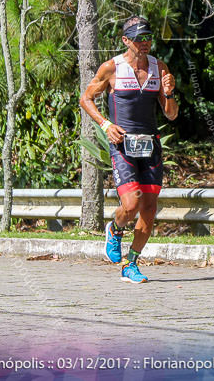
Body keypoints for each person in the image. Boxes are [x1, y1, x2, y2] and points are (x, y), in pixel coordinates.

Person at [79, 16, 178, 284]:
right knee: (131, 203)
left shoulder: (159, 67)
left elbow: (171, 115)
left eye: (147, 38)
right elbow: (85, 98)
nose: (144, 43)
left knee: (148, 209)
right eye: (138, 39)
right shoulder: (112, 68)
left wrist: (168, 94)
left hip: (151, 146)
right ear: (126, 40)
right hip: (123, 145)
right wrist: (106, 124)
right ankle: (115, 227)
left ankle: (130, 264)